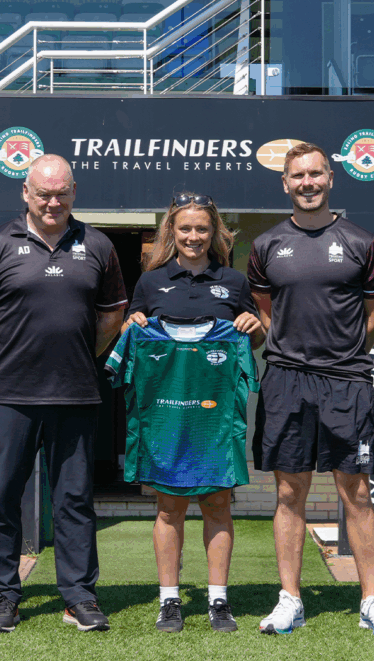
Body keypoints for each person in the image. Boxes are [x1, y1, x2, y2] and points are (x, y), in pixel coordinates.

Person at [0, 154, 127, 634]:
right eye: (44, 194)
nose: (53, 202)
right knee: (0, 498)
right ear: (25, 193)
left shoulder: (98, 245)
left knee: (74, 500)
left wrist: (81, 358)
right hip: (10, 397)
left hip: (76, 395)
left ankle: (79, 597)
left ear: (74, 193)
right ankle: (2, 597)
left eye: (61, 193)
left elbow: (112, 314)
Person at [247, 143, 374, 637]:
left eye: (315, 174)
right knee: (289, 491)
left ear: (331, 178)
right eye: (298, 176)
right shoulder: (266, 245)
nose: (307, 183)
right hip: (286, 381)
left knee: (356, 490)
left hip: (346, 381)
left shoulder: (361, 243)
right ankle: (290, 599)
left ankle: (371, 600)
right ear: (285, 183)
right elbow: (266, 312)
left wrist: (345, 353)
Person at [120, 192, 265, 633]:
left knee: (218, 503)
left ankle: (219, 599)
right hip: (167, 415)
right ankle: (169, 599)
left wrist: (254, 327)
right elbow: (129, 334)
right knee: (169, 507)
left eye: (202, 228)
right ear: (172, 230)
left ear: (214, 232)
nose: (194, 236)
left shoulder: (234, 282)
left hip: (214, 417)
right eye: (185, 228)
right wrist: (133, 325)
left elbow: (255, 338)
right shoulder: (150, 283)